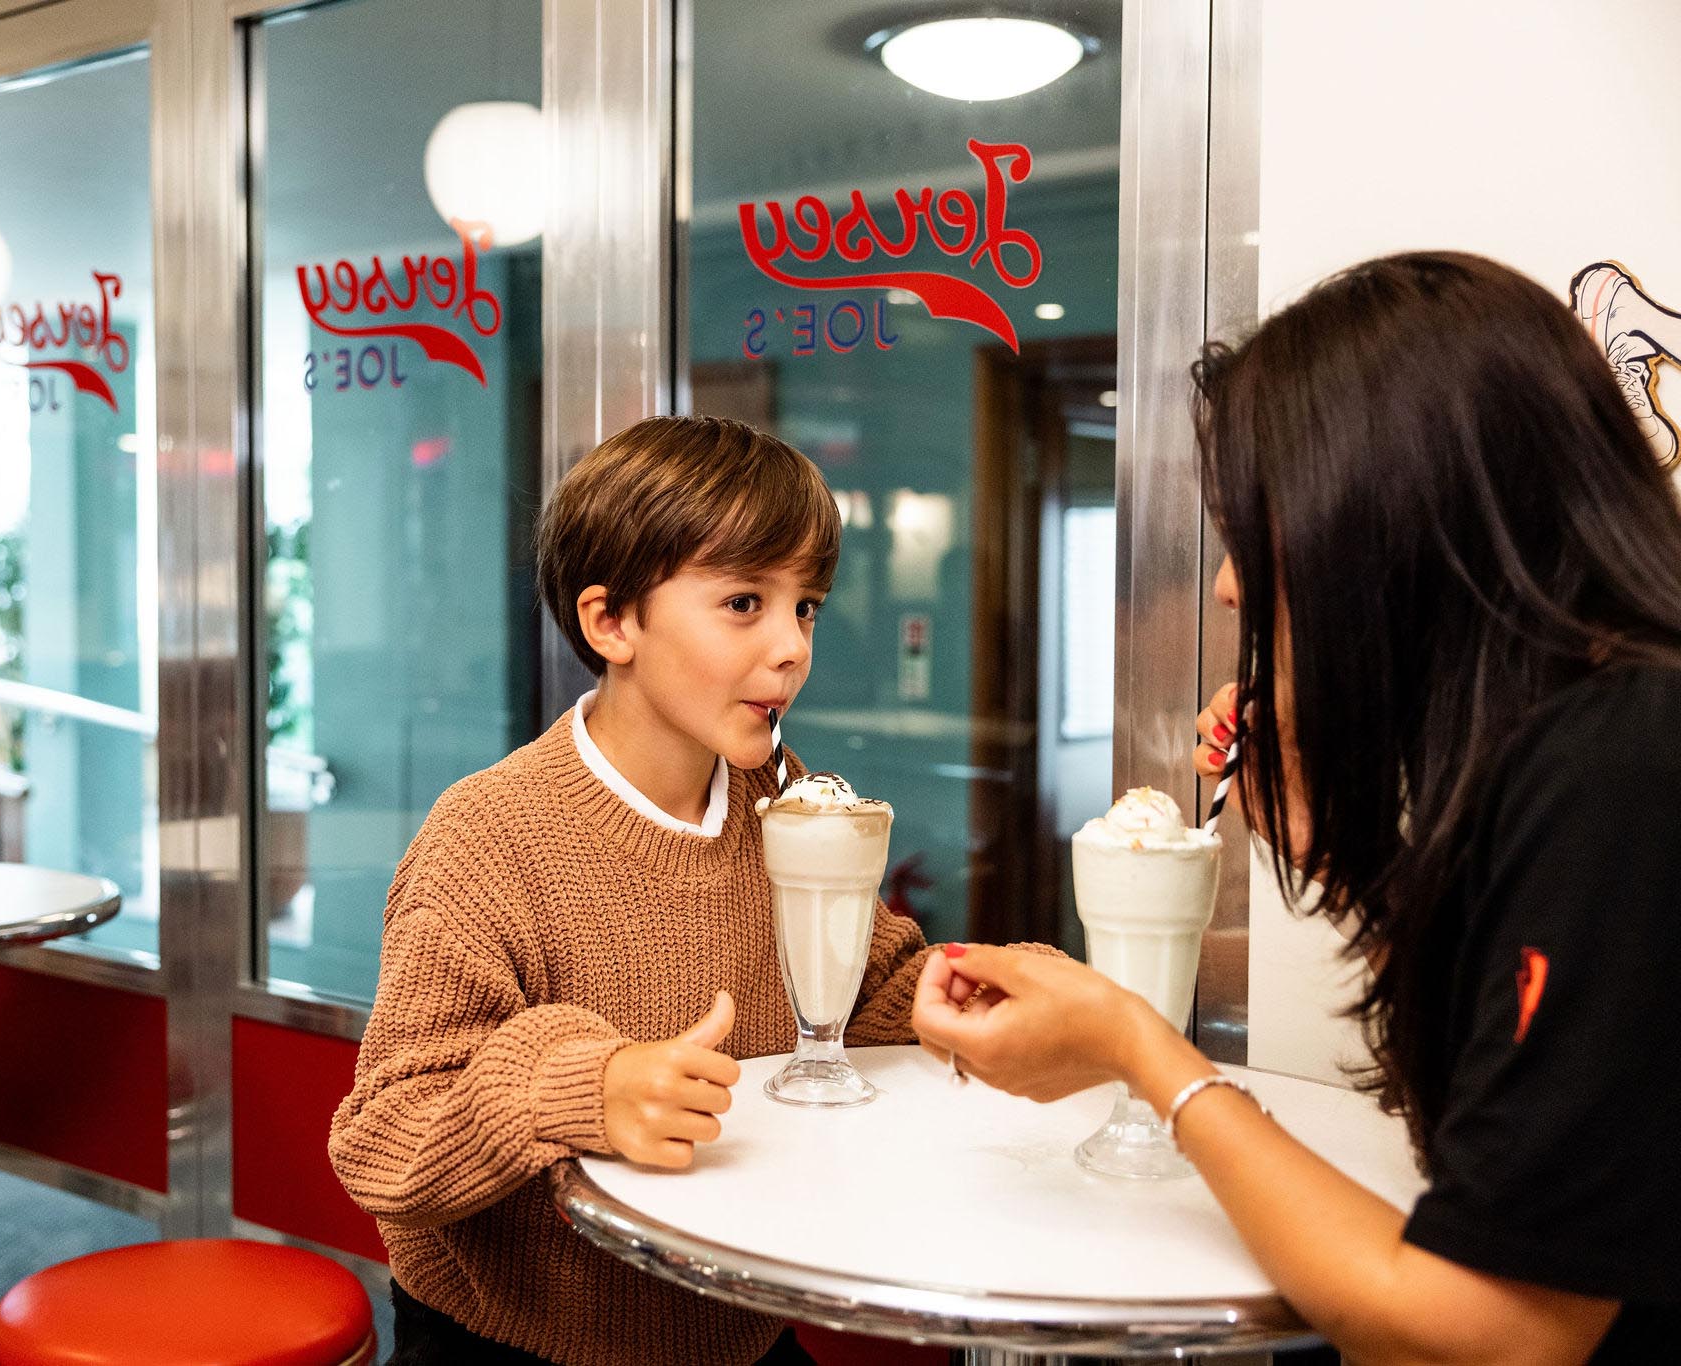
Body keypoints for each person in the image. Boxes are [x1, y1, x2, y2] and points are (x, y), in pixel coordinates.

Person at [913, 251, 1681, 1364]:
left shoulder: (1624, 766)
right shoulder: (1574, 748)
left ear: (1385, 510)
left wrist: (1141, 1049)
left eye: (1249, 529)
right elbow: (1502, 1143)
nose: (1227, 585)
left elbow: (1482, 1334)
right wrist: (1337, 848)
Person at [329, 415, 932, 1366]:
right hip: (514, 1341)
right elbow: (384, 1138)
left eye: (805, 605)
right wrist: (584, 1087)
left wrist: (947, 994)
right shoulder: (488, 835)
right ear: (611, 622)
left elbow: (862, 982)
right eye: (744, 602)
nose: (792, 647)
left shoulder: (776, 792)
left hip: (730, 1323)